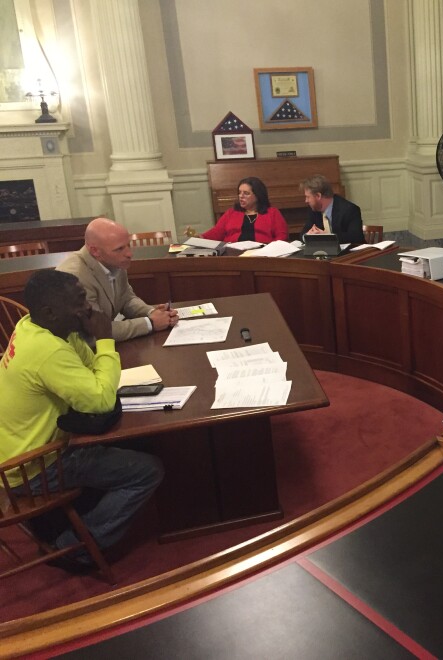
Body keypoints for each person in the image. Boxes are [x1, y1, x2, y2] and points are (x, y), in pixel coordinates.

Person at [0, 270, 163, 568]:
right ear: (49, 311)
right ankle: (74, 546)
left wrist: (93, 349)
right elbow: (101, 400)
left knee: (141, 438)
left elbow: (90, 373)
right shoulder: (47, 350)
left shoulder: (36, 327)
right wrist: (104, 338)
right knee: (147, 471)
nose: (88, 308)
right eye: (79, 302)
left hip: (16, 445)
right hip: (34, 465)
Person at [57, 217, 179, 342]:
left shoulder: (113, 261)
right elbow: (95, 331)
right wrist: (150, 323)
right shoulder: (75, 278)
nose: (129, 254)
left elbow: (126, 299)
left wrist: (152, 312)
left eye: (128, 245)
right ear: (95, 251)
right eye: (120, 249)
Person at [201, 176, 288, 244]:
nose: (241, 196)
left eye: (246, 193)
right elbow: (217, 232)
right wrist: (200, 237)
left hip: (263, 255)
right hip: (234, 254)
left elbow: (282, 236)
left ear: (258, 195)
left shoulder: (272, 213)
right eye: (239, 192)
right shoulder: (231, 213)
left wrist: (271, 250)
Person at [300, 174, 365, 243]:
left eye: (308, 197)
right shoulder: (314, 209)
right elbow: (303, 233)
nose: (306, 200)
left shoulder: (349, 210)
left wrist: (328, 237)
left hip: (351, 252)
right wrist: (307, 236)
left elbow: (356, 237)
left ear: (318, 196)